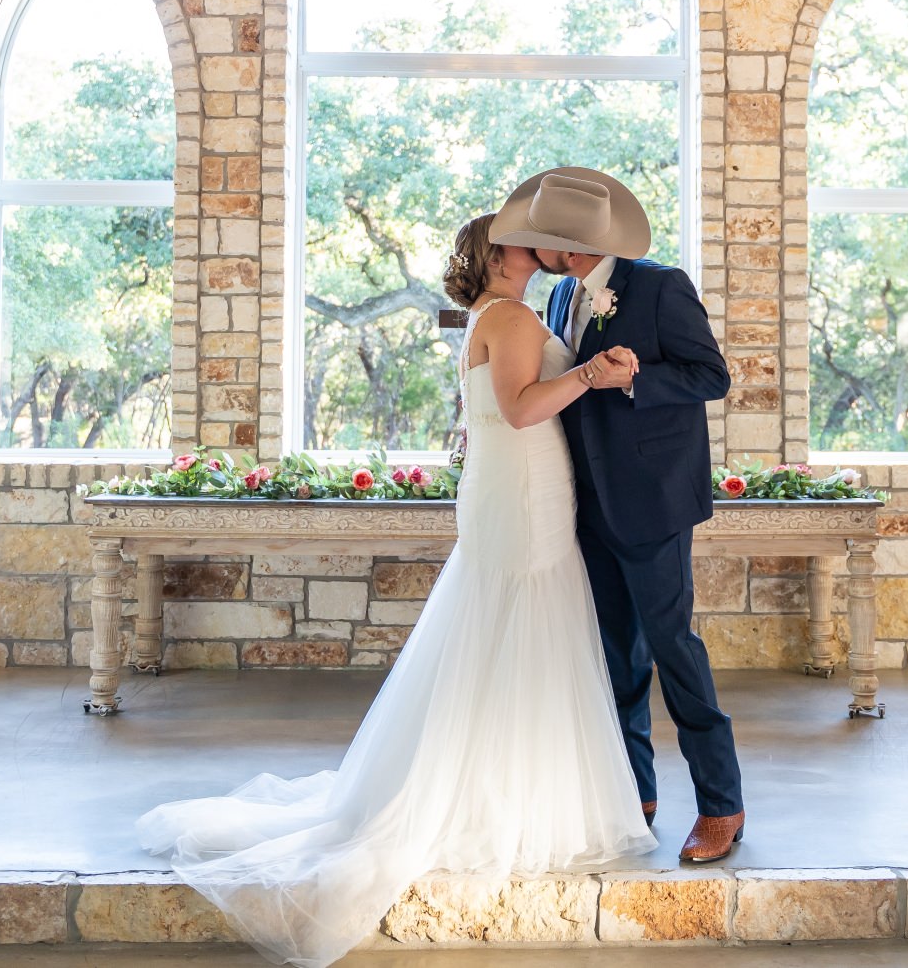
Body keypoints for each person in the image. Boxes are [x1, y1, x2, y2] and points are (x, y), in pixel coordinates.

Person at [139, 210, 654, 968]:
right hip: (523, 487)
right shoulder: (511, 317)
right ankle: (499, 802)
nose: (541, 241)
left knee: (505, 626)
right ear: (500, 253)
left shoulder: (496, 314)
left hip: (511, 484)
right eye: (524, 236)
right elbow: (519, 410)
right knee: (523, 621)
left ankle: (503, 785)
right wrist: (590, 375)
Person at [492, 167, 744, 862]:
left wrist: (635, 376)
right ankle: (634, 795)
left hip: (653, 501)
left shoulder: (661, 286)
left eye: (541, 238)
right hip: (585, 502)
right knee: (615, 660)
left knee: (672, 650)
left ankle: (721, 804)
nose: (533, 248)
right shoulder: (561, 292)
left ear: (570, 243)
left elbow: (712, 376)